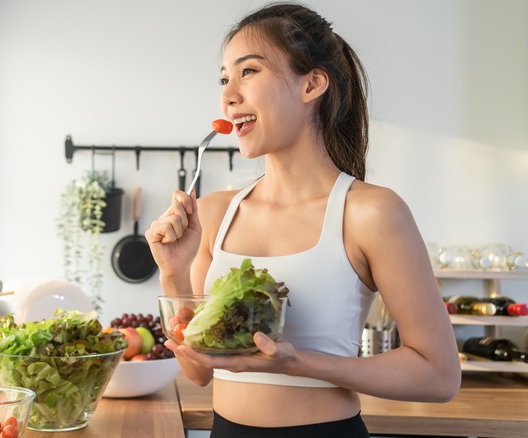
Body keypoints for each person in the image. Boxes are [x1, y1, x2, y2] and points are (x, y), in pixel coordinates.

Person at [145, 2, 461, 437]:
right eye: (224, 78)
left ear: (312, 84)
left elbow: (439, 375)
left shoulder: (370, 212)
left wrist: (297, 361)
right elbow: (198, 372)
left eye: (249, 72)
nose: (228, 94)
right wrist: (173, 273)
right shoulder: (216, 212)